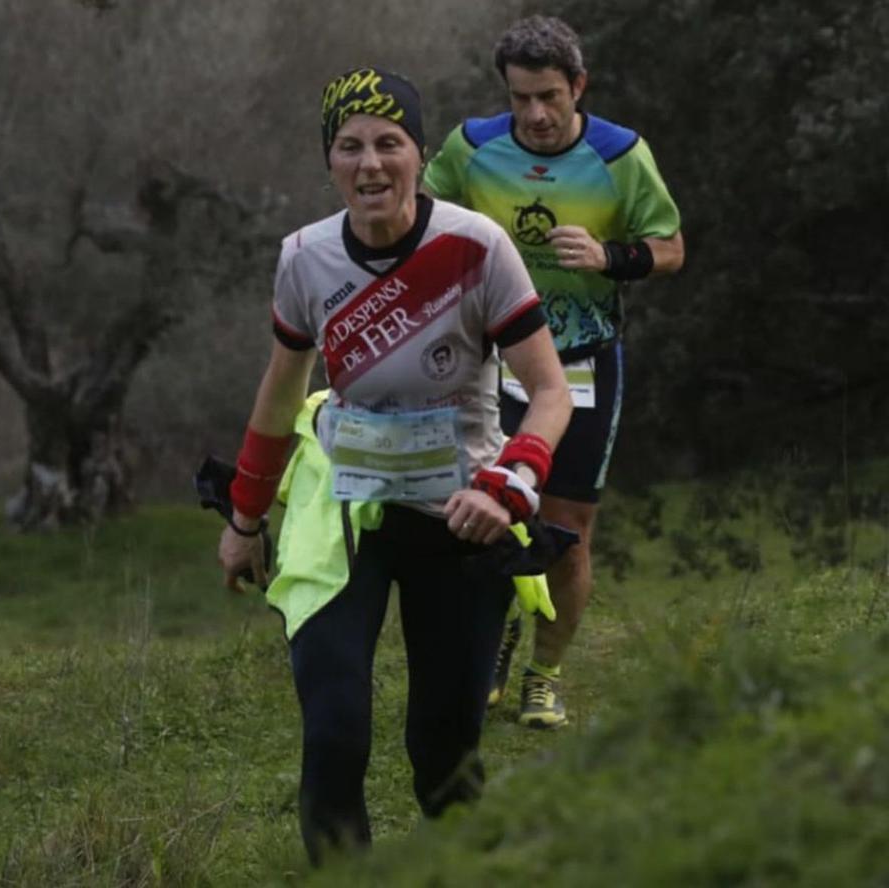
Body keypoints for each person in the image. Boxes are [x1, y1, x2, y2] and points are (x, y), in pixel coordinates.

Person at [216, 66, 572, 864]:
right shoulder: (304, 259)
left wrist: (509, 486)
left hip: (462, 514)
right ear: (329, 160)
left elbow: (549, 392)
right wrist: (244, 517)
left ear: (419, 154)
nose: (370, 165)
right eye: (349, 147)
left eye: (389, 144)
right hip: (350, 514)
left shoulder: (477, 247)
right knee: (336, 730)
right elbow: (281, 396)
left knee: (444, 756)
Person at [424, 15, 685, 728]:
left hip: (582, 363)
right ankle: (484, 660)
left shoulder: (621, 157)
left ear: (579, 86)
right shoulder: (472, 148)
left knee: (565, 533)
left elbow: (671, 248)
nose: (535, 115)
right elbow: (421, 216)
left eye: (548, 97)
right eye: (520, 99)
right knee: (486, 519)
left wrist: (611, 257)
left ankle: (546, 673)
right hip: (491, 363)